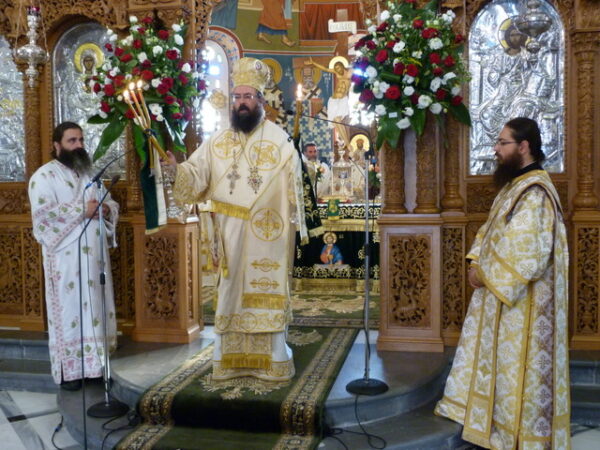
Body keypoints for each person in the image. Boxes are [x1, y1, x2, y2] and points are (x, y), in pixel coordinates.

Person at [166, 57, 307, 382]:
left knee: (266, 290)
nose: (241, 102)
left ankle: (273, 357)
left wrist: (297, 175)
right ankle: (229, 359)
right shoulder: (218, 140)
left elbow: (297, 187)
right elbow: (196, 174)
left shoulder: (281, 141)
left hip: (268, 233)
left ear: (260, 101)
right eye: (237, 97)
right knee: (231, 293)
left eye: (248, 97)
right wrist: (176, 170)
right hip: (230, 235)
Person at [434, 118, 570, 448]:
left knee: (518, 371)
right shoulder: (515, 185)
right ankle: (489, 420)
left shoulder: (536, 192)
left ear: (523, 147)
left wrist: (484, 272)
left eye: (502, 142)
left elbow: (526, 249)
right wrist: (475, 260)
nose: (495, 149)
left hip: (525, 303)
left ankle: (517, 435)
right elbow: (491, 228)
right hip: (502, 293)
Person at [28, 122, 119, 391]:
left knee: (95, 309)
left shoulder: (89, 173)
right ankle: (70, 372)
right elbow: (43, 220)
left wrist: (105, 210)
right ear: (57, 145)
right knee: (70, 311)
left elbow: (108, 202)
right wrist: (82, 210)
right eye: (72, 140)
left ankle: (96, 367)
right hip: (65, 262)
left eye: (80, 139)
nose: (78, 145)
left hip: (95, 260)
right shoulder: (43, 177)